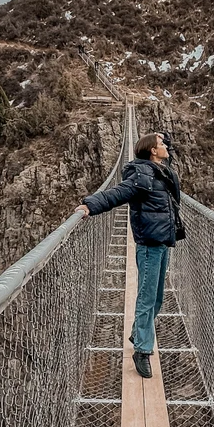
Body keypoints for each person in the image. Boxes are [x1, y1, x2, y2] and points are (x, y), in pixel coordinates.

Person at [76, 132, 184, 378]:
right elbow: (117, 193)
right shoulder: (142, 174)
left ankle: (138, 333)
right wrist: (90, 205)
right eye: (161, 145)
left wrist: (163, 136)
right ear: (152, 151)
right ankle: (142, 350)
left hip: (162, 242)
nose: (165, 147)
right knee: (147, 299)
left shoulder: (161, 171)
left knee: (156, 298)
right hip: (149, 245)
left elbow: (171, 150)